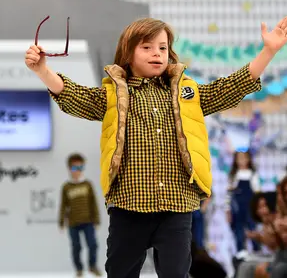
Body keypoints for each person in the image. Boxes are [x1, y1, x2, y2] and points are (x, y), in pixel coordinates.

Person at [25, 16, 287, 278]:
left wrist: (268, 51)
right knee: (120, 272)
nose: (157, 54)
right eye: (147, 47)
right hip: (128, 205)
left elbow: (230, 87)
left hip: (176, 205)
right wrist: (43, 72)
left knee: (176, 273)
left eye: (162, 48)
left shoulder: (187, 93)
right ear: (128, 53)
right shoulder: (114, 94)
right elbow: (74, 95)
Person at [58, 153, 101, 277]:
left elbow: (94, 203)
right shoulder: (66, 187)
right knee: (76, 247)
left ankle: (92, 266)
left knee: (93, 244)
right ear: (69, 168)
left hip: (88, 221)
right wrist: (61, 221)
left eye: (80, 168)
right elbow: (63, 206)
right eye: (74, 168)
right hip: (73, 223)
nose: (77, 171)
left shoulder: (88, 184)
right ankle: (79, 269)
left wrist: (96, 220)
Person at [227, 150, 261, 253]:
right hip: (237, 209)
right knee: (238, 231)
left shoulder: (252, 174)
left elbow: (257, 193)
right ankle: (240, 253)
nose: (242, 160)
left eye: (244, 158)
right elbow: (229, 195)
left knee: (252, 229)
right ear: (235, 160)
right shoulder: (234, 175)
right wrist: (227, 210)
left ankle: (257, 251)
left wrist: (257, 208)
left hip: (250, 208)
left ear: (249, 159)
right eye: (239, 158)